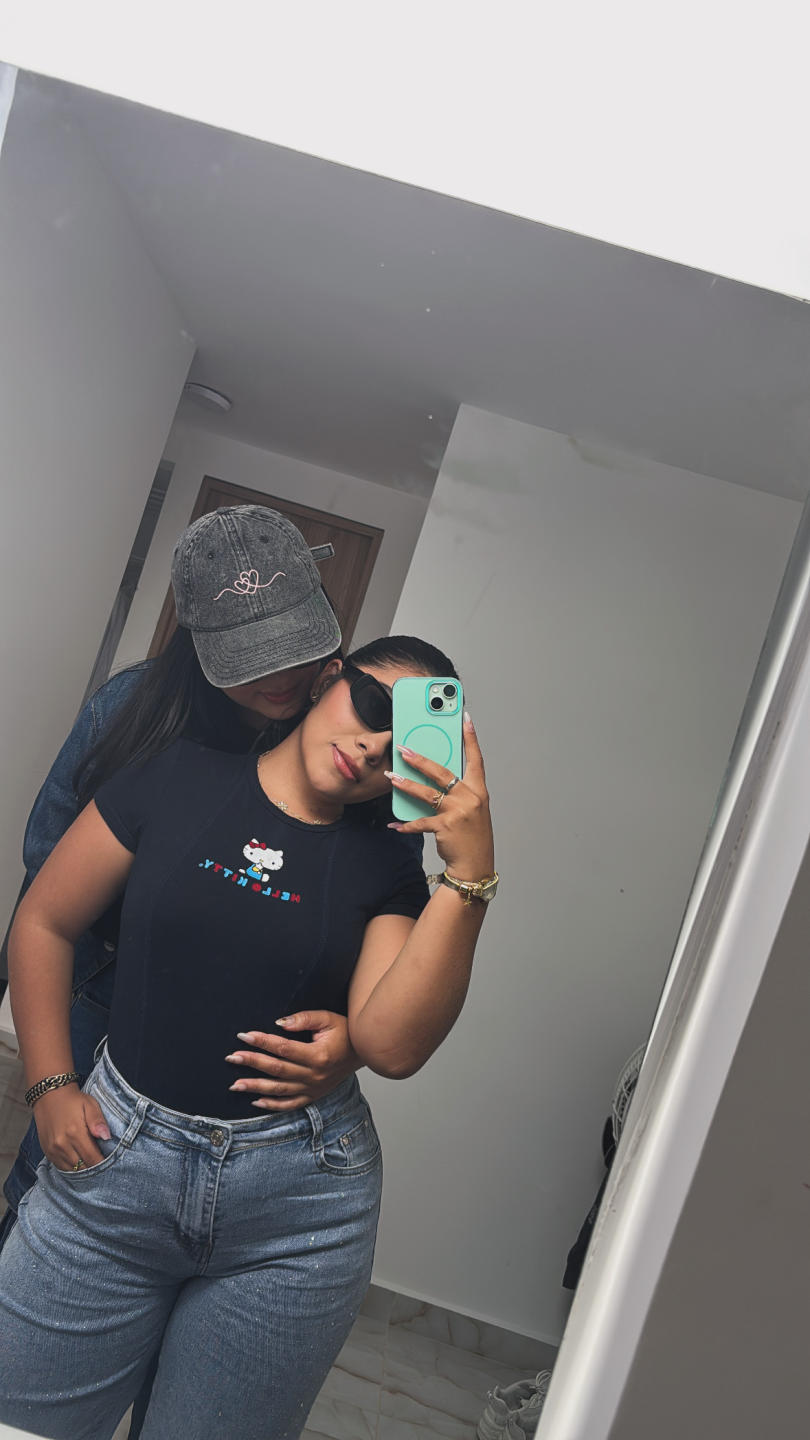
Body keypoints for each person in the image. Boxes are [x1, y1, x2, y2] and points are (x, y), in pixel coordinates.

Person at [0, 629, 496, 1440]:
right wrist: (50, 1083)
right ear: (328, 678)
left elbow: (394, 1045)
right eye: (372, 704)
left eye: (407, 741)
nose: (374, 745)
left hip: (296, 1214)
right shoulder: (176, 776)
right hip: (115, 1172)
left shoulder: (389, 867)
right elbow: (45, 921)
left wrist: (468, 876)